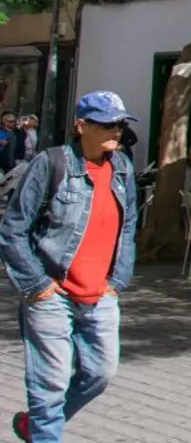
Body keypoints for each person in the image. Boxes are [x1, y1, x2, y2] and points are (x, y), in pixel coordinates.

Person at [0, 91, 138, 443]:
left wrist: (117, 280)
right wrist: (37, 284)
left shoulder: (122, 168)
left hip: (100, 294)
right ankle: (45, 430)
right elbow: (13, 228)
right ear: (81, 125)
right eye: (107, 124)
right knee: (51, 383)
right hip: (52, 292)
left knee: (99, 373)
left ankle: (37, 426)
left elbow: (128, 227)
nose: (116, 131)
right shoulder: (52, 163)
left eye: (120, 124)